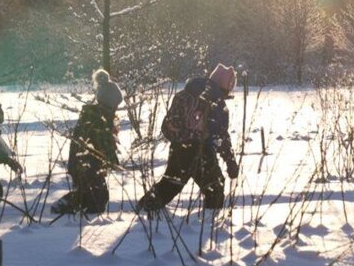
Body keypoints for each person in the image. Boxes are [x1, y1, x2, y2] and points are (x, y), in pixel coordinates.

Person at [137, 64, 240, 213]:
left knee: (170, 184)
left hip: (180, 147)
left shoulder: (188, 93)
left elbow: (170, 125)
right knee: (215, 187)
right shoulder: (215, 101)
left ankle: (144, 209)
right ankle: (208, 225)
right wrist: (230, 161)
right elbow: (220, 135)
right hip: (202, 150)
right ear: (226, 86)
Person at [51, 69, 122, 216]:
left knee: (94, 196)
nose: (116, 108)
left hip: (85, 163)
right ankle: (65, 211)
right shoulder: (98, 118)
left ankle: (71, 212)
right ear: (109, 102)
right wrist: (113, 160)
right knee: (97, 198)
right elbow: (104, 143)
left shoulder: (96, 113)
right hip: (85, 164)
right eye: (116, 104)